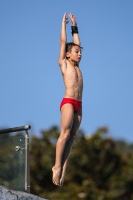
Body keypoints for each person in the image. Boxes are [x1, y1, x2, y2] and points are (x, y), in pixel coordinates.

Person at [52, 12, 83, 186]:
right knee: (64, 134)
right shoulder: (63, 63)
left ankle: (63, 169)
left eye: (80, 52)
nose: (79, 54)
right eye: (76, 52)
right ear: (68, 54)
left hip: (79, 104)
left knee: (72, 136)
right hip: (69, 102)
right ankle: (56, 166)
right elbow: (64, 43)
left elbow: (76, 42)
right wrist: (64, 25)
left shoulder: (77, 65)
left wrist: (75, 25)